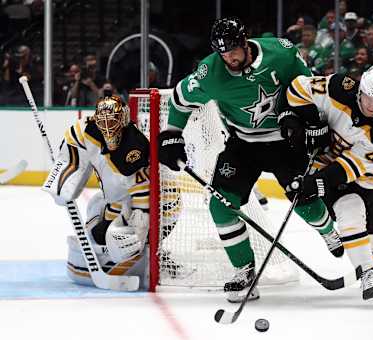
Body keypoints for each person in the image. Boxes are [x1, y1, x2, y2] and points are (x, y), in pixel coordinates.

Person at [156, 17, 344, 303]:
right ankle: (243, 269)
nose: (229, 57)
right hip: (243, 145)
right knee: (220, 206)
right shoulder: (209, 72)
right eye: (223, 52)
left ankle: (328, 229)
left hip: (286, 139)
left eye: (233, 50)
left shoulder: (281, 52)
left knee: (303, 200)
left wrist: (312, 120)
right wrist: (172, 134)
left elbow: (309, 87)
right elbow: (181, 100)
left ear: (245, 42)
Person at [285, 65, 373, 302]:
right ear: (360, 89)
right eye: (368, 97)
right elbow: (296, 89)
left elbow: (351, 166)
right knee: (350, 212)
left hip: (363, 176)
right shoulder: (338, 87)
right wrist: (309, 121)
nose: (371, 105)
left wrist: (317, 183)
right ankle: (366, 271)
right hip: (326, 165)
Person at [42, 96, 182, 287]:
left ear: (124, 120)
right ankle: (140, 253)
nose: (108, 129)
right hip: (124, 200)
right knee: (96, 207)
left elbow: (143, 197)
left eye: (113, 122)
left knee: (119, 241)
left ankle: (152, 258)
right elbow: (72, 153)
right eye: (103, 122)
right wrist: (61, 183)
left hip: (162, 206)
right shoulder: (85, 131)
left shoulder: (135, 147)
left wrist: (137, 233)